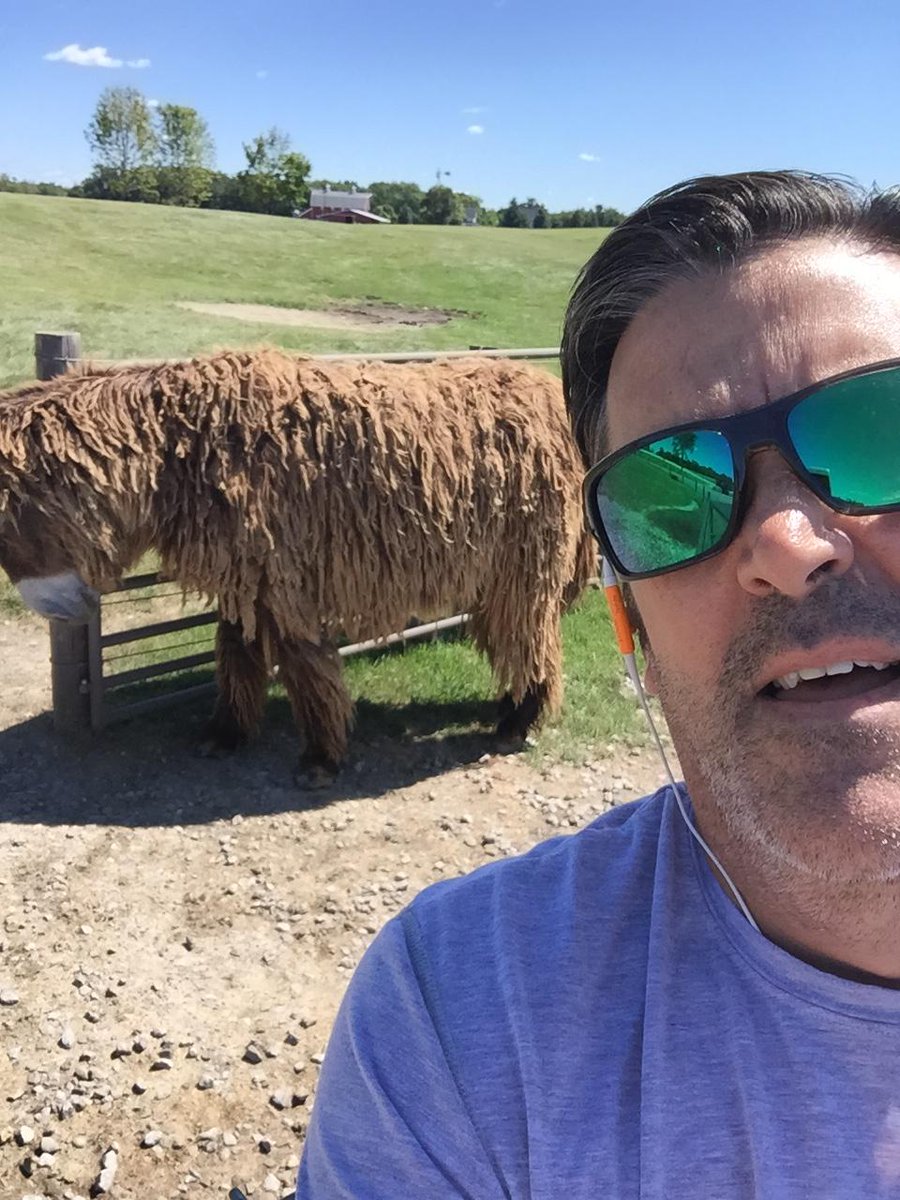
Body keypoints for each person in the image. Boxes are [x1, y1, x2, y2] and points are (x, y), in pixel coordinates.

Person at [297, 171, 900, 1198]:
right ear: (628, 622)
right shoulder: (462, 1017)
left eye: (880, 429)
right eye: (671, 492)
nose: (786, 542)